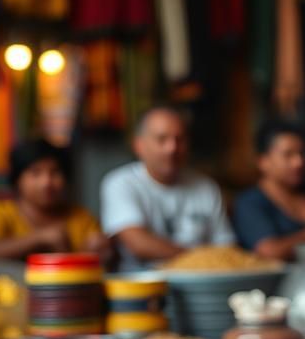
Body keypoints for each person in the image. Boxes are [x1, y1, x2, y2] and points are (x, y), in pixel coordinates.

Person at [100, 105, 234, 268]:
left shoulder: (207, 188)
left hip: (201, 286)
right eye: (161, 139)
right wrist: (200, 258)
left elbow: (227, 248)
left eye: (180, 139)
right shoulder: (120, 183)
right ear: (139, 145)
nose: (172, 148)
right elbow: (138, 244)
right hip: (142, 287)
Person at [0, 138, 108, 261]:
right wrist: (41, 238)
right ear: (17, 179)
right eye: (35, 173)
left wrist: (102, 252)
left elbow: (104, 258)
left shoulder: (82, 218)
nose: (46, 182)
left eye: (54, 172)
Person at [233, 119, 305, 261]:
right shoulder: (250, 203)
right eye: (288, 155)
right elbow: (270, 252)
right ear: (263, 162)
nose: (299, 162)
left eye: (302, 153)